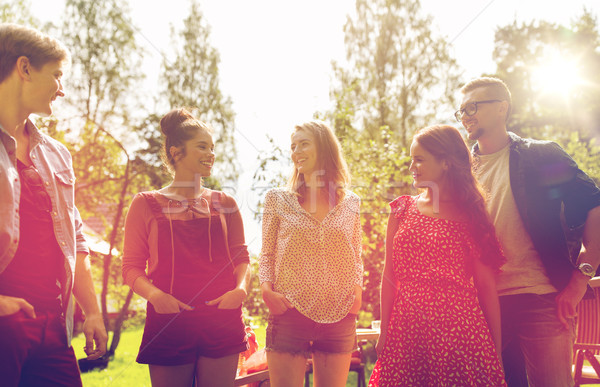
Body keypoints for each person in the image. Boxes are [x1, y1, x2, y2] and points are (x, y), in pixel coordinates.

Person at [456, 77, 600, 386]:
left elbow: (594, 204)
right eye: (461, 110)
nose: (466, 115)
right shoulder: (462, 170)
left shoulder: (540, 156)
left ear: (501, 108)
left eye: (473, 107)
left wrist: (580, 279)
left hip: (542, 299)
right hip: (483, 307)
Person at [0, 23, 108, 386]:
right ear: (25, 68)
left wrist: (92, 311)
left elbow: (74, 238)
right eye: (57, 75)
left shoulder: (57, 156)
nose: (61, 90)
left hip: (52, 329)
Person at [368, 125, 506, 386]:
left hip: (459, 332)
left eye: (419, 160)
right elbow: (389, 276)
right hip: (406, 331)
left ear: (445, 163)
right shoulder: (402, 209)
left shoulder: (472, 215)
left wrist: (495, 352)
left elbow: (486, 287)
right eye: (411, 160)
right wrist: (385, 330)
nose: (412, 168)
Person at [122, 108, 250, 387]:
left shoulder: (225, 202)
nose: (211, 154)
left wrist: (240, 290)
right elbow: (131, 268)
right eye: (202, 147)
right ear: (176, 152)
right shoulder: (145, 203)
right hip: (169, 323)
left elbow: (241, 256)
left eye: (213, 148)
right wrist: (157, 297)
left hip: (222, 321)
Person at [259, 120, 363, 387]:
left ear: (324, 148)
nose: (296, 152)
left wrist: (357, 292)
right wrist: (266, 290)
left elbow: (356, 254)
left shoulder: (351, 202)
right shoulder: (277, 199)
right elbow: (267, 254)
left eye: (304, 144)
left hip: (339, 314)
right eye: (293, 146)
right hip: (290, 310)